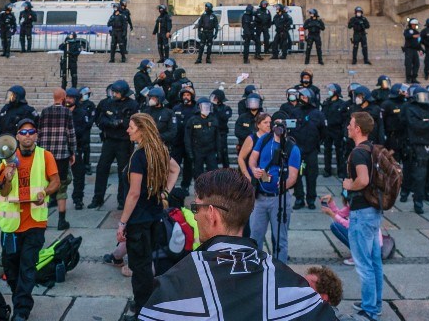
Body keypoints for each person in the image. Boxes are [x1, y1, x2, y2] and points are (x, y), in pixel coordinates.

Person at [139, 168, 335, 321]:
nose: (195, 215)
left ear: (212, 214)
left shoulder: (174, 286)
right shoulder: (292, 284)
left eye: (196, 208)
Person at [0, 115, 59, 321]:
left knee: (28, 267)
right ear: (16, 137)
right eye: (23, 132)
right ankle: (19, 298)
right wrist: (7, 175)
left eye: (31, 132)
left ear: (37, 135)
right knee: (11, 269)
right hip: (11, 224)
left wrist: (46, 192)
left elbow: (56, 181)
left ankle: (22, 311)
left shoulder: (45, 155)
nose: (27, 136)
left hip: (35, 221)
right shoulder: (6, 158)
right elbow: (4, 191)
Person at [116, 113, 170, 314]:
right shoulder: (158, 150)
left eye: (131, 127)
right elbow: (176, 168)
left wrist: (122, 223)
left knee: (140, 269)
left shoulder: (139, 156)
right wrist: (165, 192)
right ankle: (149, 304)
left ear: (141, 129)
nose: (128, 130)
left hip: (139, 219)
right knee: (149, 264)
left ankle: (142, 310)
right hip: (155, 216)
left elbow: (134, 192)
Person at [340, 111, 383, 321]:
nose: (348, 127)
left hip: (362, 212)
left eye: (350, 124)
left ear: (358, 128)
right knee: (375, 261)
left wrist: (349, 185)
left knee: (363, 263)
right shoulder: (372, 148)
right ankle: (375, 304)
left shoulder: (358, 152)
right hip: (374, 211)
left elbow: (363, 180)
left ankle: (370, 311)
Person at [247, 109, 301, 263]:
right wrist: (255, 170)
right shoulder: (263, 140)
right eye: (274, 124)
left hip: (279, 199)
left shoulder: (292, 148)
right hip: (260, 198)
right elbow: (252, 159)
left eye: (280, 124)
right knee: (255, 236)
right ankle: (254, 269)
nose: (277, 127)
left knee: (280, 239)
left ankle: (279, 271)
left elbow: (293, 177)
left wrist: (281, 186)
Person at [92, 80, 138, 209]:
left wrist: (121, 122)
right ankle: (98, 198)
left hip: (124, 142)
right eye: (113, 92)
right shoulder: (105, 103)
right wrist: (110, 123)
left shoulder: (132, 104)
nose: (114, 94)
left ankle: (122, 200)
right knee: (102, 169)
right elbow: (99, 118)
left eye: (117, 92)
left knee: (123, 172)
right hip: (109, 141)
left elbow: (134, 121)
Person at [37, 87, 76, 230]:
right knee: (62, 187)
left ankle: (43, 220)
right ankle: (61, 220)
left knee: (46, 186)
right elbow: (70, 134)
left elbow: (39, 133)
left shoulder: (45, 112)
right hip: (62, 155)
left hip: (46, 155)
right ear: (63, 97)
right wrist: (73, 152)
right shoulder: (67, 113)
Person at [69, 87, 95, 209]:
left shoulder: (82, 112)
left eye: (71, 98)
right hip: (62, 147)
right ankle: (54, 197)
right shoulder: (62, 111)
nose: (68, 100)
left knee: (79, 176)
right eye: (67, 97)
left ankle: (78, 198)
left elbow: (84, 129)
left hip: (76, 146)